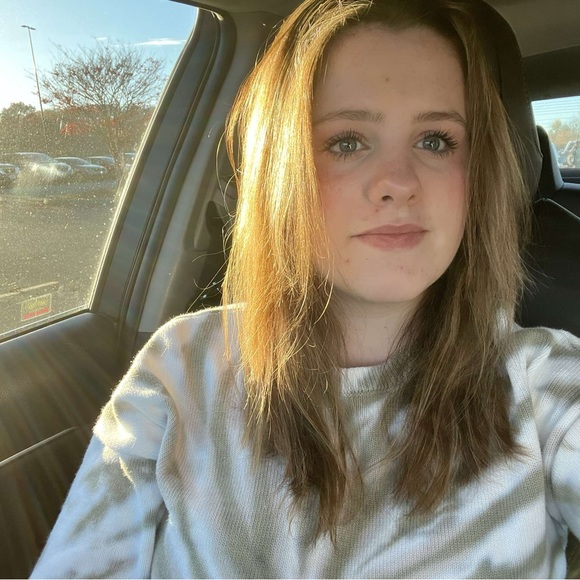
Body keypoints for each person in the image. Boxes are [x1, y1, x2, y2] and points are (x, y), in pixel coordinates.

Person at [32, 0, 580, 577]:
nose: (398, 182)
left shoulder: (547, 383)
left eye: (437, 140)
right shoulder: (181, 365)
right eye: (346, 141)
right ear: (280, 169)